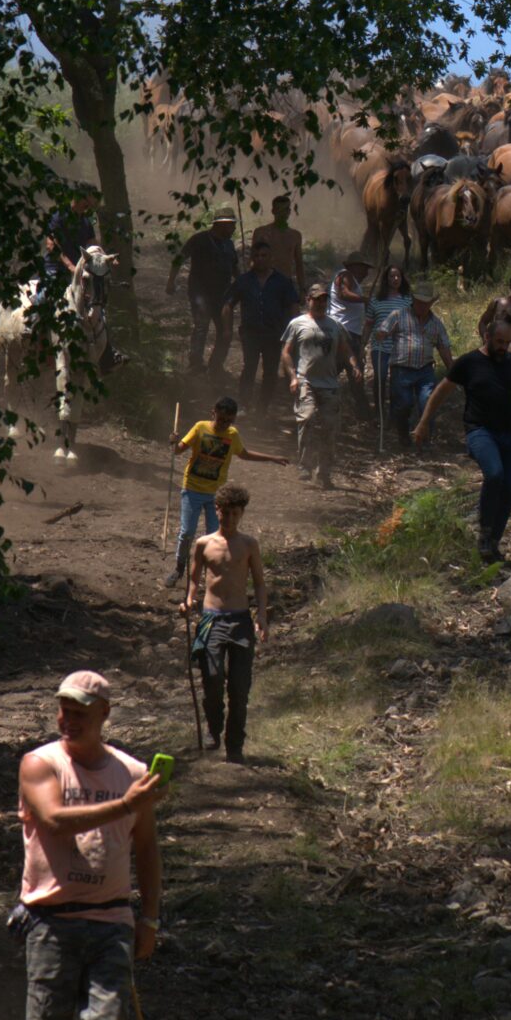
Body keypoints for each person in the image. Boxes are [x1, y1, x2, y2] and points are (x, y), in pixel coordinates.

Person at [18, 671, 164, 1020]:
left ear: (105, 714)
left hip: (111, 919)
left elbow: (147, 848)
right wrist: (125, 805)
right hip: (50, 922)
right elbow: (54, 820)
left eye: (80, 712)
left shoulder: (134, 774)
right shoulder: (39, 764)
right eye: (64, 710)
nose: (68, 720)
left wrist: (151, 919)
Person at [414, 315, 511, 563]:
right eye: (499, 341)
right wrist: (424, 422)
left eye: (507, 342)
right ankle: (485, 532)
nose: (503, 347)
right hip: (480, 431)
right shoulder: (469, 362)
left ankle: (493, 543)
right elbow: (440, 392)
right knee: (494, 474)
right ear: (487, 337)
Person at [160, 397, 286, 590]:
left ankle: (211, 573)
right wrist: (173, 442)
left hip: (215, 494)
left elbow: (243, 454)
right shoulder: (200, 428)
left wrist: (271, 458)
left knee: (214, 536)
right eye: (221, 420)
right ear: (213, 413)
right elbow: (178, 450)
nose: (224, 424)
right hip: (192, 489)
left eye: (229, 421)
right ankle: (179, 568)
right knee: (187, 532)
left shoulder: (232, 435)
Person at [183, 485, 268, 760]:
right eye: (224, 512)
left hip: (241, 620)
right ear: (216, 510)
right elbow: (194, 580)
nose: (229, 518)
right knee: (212, 679)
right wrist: (189, 600)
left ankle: (235, 747)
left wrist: (262, 616)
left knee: (239, 688)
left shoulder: (249, 544)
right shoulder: (204, 544)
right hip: (212, 620)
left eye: (234, 513)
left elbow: (259, 582)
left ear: (241, 513)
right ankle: (213, 728)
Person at [281, 281, 351, 487]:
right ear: (308, 300)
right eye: (317, 299)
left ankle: (325, 473)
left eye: (324, 300)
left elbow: (346, 349)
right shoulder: (297, 323)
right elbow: (285, 352)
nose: (321, 303)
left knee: (330, 427)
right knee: (307, 418)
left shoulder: (335, 325)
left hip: (329, 384)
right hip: (306, 381)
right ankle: (304, 464)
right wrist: (293, 377)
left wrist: (354, 365)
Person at [228, 237, 302, 417]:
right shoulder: (244, 281)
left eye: (264, 255)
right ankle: (244, 405)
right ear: (251, 259)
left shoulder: (283, 281)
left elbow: (293, 305)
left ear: (271, 258)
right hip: (250, 333)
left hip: (274, 333)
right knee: (249, 368)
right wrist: (225, 329)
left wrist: (293, 331)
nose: (260, 259)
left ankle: (263, 407)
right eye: (257, 256)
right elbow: (228, 304)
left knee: (270, 371)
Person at [375, 284, 456, 444]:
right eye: (419, 301)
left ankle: (424, 440)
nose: (422, 305)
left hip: (425, 370)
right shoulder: (398, 315)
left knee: (428, 403)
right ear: (413, 300)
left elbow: (443, 347)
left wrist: (453, 370)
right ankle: (403, 435)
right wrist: (381, 334)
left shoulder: (436, 324)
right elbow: (381, 331)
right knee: (403, 404)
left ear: (431, 303)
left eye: (426, 302)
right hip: (401, 368)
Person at [167, 212, 240, 374]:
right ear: (220, 224)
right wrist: (171, 281)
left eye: (234, 224)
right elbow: (179, 259)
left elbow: (234, 267)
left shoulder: (228, 244)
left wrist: (243, 285)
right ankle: (195, 363)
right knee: (202, 325)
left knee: (225, 330)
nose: (234, 228)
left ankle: (216, 364)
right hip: (200, 292)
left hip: (223, 293)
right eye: (231, 224)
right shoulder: (199, 240)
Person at [252, 193, 306, 292]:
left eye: (285, 210)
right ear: (273, 211)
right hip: (265, 283)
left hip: (286, 283)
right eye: (279, 210)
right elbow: (253, 260)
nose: (282, 213)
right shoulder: (261, 233)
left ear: (289, 211)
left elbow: (299, 264)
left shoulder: (295, 235)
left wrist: (302, 289)